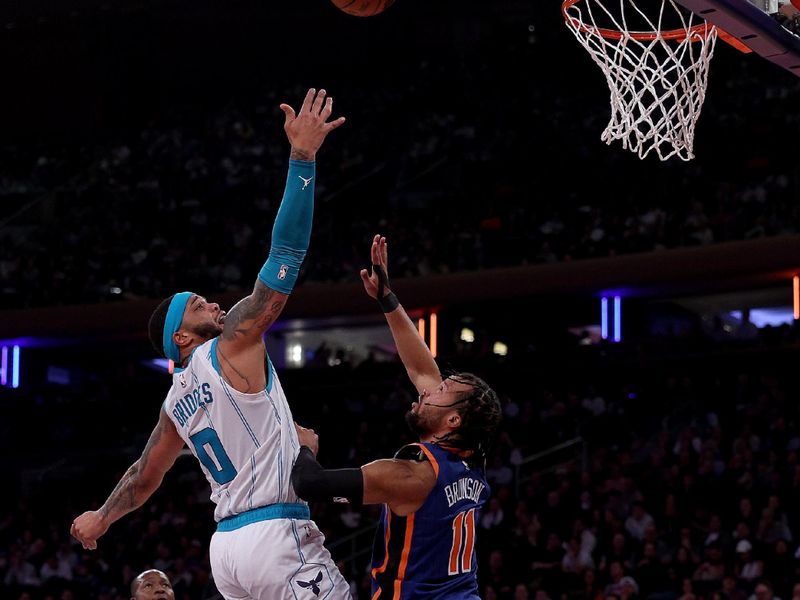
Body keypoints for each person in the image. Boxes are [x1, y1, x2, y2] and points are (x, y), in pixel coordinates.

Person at [70, 87, 351, 600]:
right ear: (181, 334)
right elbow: (285, 254)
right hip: (276, 531)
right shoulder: (231, 345)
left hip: (226, 552)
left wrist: (102, 518)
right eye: (201, 304)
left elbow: (144, 475)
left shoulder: (174, 403)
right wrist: (302, 159)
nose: (217, 306)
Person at [291, 234, 503, 599]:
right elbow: (421, 368)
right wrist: (387, 300)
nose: (428, 389)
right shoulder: (472, 460)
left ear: (453, 421)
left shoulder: (412, 476)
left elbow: (310, 484)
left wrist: (306, 448)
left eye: (441, 390)